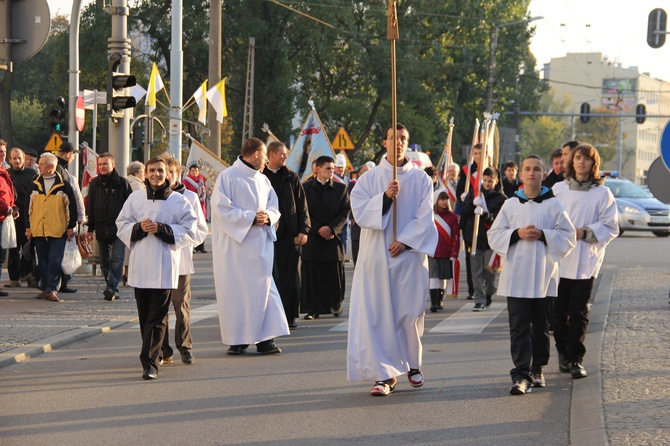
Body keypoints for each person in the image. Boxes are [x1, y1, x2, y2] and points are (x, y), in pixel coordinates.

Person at [347, 123, 438, 396]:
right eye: (392, 138)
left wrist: (406, 240)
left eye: (403, 138)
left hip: (408, 257)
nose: (398, 142)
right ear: (384, 142)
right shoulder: (369, 178)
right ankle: (384, 375)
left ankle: (412, 362)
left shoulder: (421, 179)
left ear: (407, 143)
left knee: (408, 314)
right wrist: (385, 198)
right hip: (377, 257)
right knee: (379, 316)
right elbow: (360, 211)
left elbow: (426, 216)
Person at [488, 154, 576, 395]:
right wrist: (516, 233)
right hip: (516, 275)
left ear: (542, 173)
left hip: (543, 276)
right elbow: (494, 235)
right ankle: (520, 374)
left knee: (540, 327)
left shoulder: (554, 204)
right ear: (521, 173)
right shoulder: (510, 204)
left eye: (536, 169)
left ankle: (537, 367)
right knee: (518, 327)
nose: (531, 173)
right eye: (527, 169)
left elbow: (569, 236)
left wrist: (544, 234)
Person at [116, 157, 198, 380]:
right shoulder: (135, 198)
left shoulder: (178, 201)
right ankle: (152, 356)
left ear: (167, 174)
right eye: (151, 170)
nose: (156, 174)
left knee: (158, 317)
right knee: (145, 317)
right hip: (141, 264)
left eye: (160, 171)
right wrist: (139, 228)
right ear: (146, 173)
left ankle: (150, 364)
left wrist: (162, 229)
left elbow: (190, 230)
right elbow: (121, 224)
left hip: (164, 265)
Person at [211, 138, 289, 356]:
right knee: (236, 294)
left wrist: (269, 217)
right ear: (256, 154)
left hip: (260, 247)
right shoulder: (228, 177)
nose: (265, 161)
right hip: (235, 248)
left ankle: (265, 339)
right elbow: (220, 210)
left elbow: (274, 206)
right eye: (264, 156)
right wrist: (250, 218)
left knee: (265, 291)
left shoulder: (263, 181)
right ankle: (238, 340)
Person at [552, 143, 619, 379]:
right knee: (558, 314)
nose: (581, 162)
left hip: (585, 260)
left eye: (586, 159)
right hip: (560, 260)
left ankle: (575, 359)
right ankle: (563, 351)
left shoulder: (602, 193)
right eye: (578, 158)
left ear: (593, 164)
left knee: (578, 312)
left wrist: (585, 232)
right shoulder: (559, 190)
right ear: (572, 161)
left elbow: (612, 226)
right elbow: (549, 220)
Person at [160, 155, 209, 365]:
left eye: (172, 172)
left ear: (178, 173)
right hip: (160, 259)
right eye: (165, 172)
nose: (169, 176)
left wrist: (180, 239)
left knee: (181, 306)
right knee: (160, 308)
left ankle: (185, 346)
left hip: (180, 260)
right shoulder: (154, 197)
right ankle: (163, 348)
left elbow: (200, 229)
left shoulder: (190, 196)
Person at [262, 141, 310, 329]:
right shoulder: (261, 177)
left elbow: (301, 205)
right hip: (267, 232)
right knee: (269, 275)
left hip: (289, 234)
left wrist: (303, 230)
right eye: (281, 154)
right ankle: (268, 316)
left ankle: (289, 315)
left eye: (286, 154)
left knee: (290, 276)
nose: (285, 157)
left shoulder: (291, 177)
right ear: (271, 155)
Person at [300, 155, 351, 320]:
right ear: (318, 169)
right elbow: (303, 212)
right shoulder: (305, 188)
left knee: (333, 274)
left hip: (332, 239)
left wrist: (331, 228)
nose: (332, 171)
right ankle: (312, 309)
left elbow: (345, 212)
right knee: (312, 275)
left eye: (333, 168)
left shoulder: (341, 189)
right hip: (313, 239)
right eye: (328, 168)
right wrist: (318, 228)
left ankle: (335, 305)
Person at [26, 153, 77, 303]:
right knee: (42, 260)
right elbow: (28, 207)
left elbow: (71, 207)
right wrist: (28, 227)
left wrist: (70, 226)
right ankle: (45, 288)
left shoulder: (64, 185)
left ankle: (52, 289)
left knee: (55, 260)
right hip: (39, 229)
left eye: (41, 164)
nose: (38, 166)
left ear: (51, 167)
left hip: (57, 229)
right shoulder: (35, 183)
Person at [85, 153, 133, 301]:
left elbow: (131, 206)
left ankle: (111, 287)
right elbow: (91, 207)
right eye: (100, 164)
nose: (102, 167)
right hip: (101, 227)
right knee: (105, 262)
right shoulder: (94, 184)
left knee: (117, 259)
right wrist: (90, 229)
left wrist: (130, 225)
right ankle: (112, 288)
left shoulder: (123, 184)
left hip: (119, 229)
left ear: (113, 164)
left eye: (105, 164)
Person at [461, 167, 506, 311]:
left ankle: (488, 294)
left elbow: (500, 220)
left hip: (490, 241)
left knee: (490, 271)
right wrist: (470, 204)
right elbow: (465, 213)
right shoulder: (475, 193)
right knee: (476, 271)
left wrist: (486, 215)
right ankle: (479, 299)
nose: (486, 184)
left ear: (496, 181)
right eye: (485, 180)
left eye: (490, 181)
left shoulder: (501, 199)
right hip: (474, 239)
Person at [56, 142, 86, 294]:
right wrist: (80, 217)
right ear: (69, 154)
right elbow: (75, 198)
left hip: (53, 218)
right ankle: (62, 281)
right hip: (64, 217)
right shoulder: (65, 173)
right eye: (73, 155)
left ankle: (57, 282)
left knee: (58, 251)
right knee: (64, 250)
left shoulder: (57, 169)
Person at [6, 148, 37, 289]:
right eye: (14, 158)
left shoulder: (32, 174)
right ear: (10, 160)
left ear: (24, 159)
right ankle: (14, 278)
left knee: (28, 247)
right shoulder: (7, 175)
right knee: (13, 247)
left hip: (29, 217)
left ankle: (30, 276)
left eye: (19, 158)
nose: (17, 161)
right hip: (12, 216)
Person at [456, 143, 482, 300]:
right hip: (469, 218)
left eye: (480, 153)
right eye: (475, 153)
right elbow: (460, 190)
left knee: (482, 254)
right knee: (469, 254)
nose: (478, 156)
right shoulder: (467, 171)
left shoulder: (489, 170)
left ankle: (483, 284)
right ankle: (472, 288)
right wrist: (464, 196)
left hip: (484, 219)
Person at [428, 190, 459, 312]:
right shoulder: (430, 216)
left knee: (443, 277)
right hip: (433, 252)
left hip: (447, 252)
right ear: (436, 200)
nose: (445, 201)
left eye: (446, 199)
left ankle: (440, 300)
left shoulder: (452, 217)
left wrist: (454, 253)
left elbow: (455, 236)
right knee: (434, 276)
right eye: (442, 199)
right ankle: (434, 302)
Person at [123, 161, 146, 285]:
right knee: (132, 249)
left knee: (128, 249)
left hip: (128, 219)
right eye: (142, 172)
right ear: (136, 173)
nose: (144, 175)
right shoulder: (136, 184)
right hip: (136, 219)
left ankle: (126, 274)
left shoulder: (126, 180)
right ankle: (128, 275)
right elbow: (141, 203)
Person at [349, 161, 375, 265]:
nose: (367, 174)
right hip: (357, 218)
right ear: (359, 173)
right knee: (357, 241)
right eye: (364, 171)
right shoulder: (354, 184)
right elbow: (349, 200)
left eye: (368, 171)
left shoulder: (373, 184)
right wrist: (352, 216)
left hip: (369, 218)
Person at [182, 164, 208, 253]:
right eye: (193, 171)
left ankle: (200, 246)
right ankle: (191, 245)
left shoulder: (201, 180)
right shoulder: (186, 181)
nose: (194, 172)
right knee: (192, 225)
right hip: (191, 205)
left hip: (201, 205)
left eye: (196, 171)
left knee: (200, 225)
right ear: (190, 172)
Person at [0, 156, 16, 297]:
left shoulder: (3, 171)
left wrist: (12, 207)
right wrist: (7, 208)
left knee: (1, 253)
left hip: (4, 216)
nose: (2, 154)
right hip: (2, 214)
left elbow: (7, 194)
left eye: (4, 151)